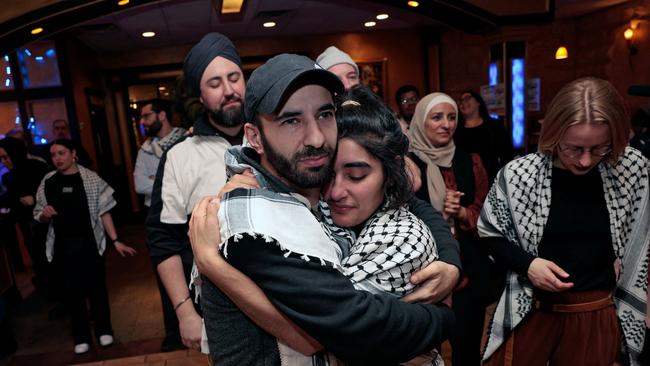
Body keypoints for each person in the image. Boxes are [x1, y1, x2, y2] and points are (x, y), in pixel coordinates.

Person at [189, 54, 457, 365]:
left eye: (325, 114)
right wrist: (444, 317)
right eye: (291, 120)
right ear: (254, 137)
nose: (316, 138)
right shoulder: (253, 221)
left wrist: (450, 261)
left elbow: (405, 200)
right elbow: (352, 328)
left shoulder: (308, 185)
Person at [480, 77, 650, 366]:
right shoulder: (519, 175)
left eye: (599, 148)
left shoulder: (631, 169)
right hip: (530, 311)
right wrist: (529, 265)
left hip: (594, 314)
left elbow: (642, 240)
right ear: (554, 134)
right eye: (574, 148)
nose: (585, 161)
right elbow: (489, 233)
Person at [145, 32, 246, 351]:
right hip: (217, 306)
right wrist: (184, 310)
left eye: (234, 78)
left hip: (285, 297)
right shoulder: (179, 156)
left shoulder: (276, 137)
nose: (229, 91)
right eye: (215, 84)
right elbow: (163, 239)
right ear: (200, 96)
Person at [408, 92, 490, 366]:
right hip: (422, 272)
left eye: (452, 116)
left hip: (468, 270)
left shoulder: (471, 161)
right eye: (437, 117)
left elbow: (488, 216)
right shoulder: (405, 166)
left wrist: (463, 212)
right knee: (423, 351)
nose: (447, 124)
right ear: (421, 121)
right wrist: (438, 215)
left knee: (467, 347)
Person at [33, 138, 137, 354]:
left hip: (89, 244)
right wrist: (44, 215)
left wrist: (115, 240)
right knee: (72, 293)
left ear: (73, 154)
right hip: (62, 246)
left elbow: (104, 211)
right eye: (53, 155)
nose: (57, 158)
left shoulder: (90, 178)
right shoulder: (48, 181)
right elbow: (39, 214)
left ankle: (104, 331)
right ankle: (81, 336)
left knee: (97, 288)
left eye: (61, 153)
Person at [133, 99, 186, 351]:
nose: (142, 122)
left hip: (185, 219)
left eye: (146, 116)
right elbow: (139, 185)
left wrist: (157, 180)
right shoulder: (145, 150)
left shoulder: (187, 140)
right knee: (166, 276)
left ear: (162, 115)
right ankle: (173, 332)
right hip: (158, 220)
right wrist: (168, 180)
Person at [0, 137, 50, 275]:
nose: (3, 162)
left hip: (48, 224)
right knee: (38, 260)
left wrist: (34, 198)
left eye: (6, 157)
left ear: (15, 153)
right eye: (1, 158)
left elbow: (55, 191)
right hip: (28, 226)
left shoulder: (38, 166)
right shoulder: (8, 177)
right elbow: (10, 199)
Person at [455, 90, 513, 182]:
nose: (463, 103)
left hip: (492, 178)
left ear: (478, 102)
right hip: (463, 180)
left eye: (467, 98)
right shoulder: (455, 129)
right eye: (460, 101)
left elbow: (507, 154)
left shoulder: (495, 126)